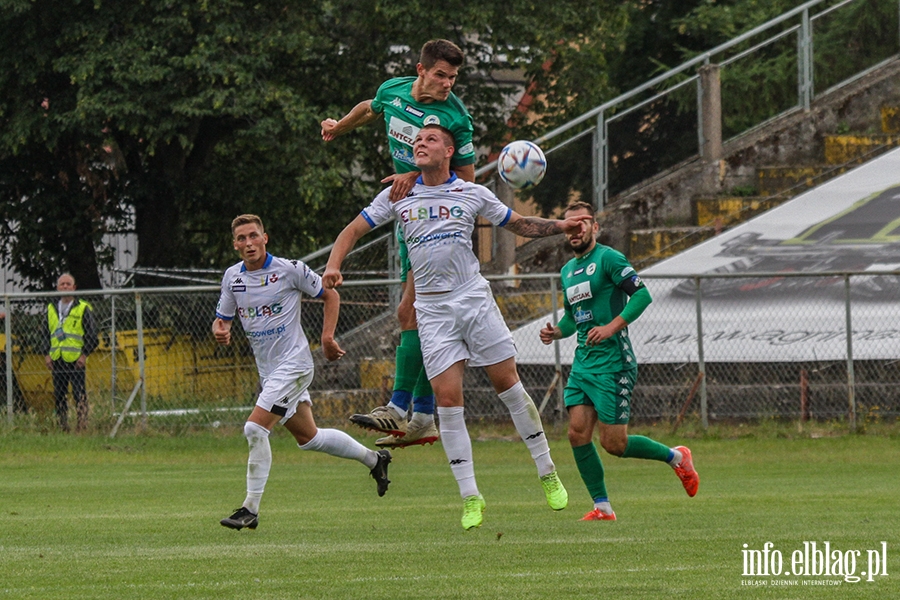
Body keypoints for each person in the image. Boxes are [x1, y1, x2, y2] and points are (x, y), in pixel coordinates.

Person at [324, 125, 592, 530]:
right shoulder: (400, 193)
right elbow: (352, 230)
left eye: (430, 139)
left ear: (449, 150)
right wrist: (333, 264)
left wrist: (560, 226)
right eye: (417, 140)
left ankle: (547, 471)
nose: (420, 143)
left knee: (509, 386)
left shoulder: (471, 191)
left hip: (474, 301)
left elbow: (520, 224)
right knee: (448, 403)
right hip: (431, 311)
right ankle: (470, 497)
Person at [321, 39, 477, 449]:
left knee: (410, 314)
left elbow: (468, 187)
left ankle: (399, 406)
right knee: (416, 319)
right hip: (409, 216)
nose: (447, 84)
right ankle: (423, 416)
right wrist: (338, 126)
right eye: (441, 75)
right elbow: (368, 108)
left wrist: (419, 176)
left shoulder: (455, 118)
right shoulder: (394, 90)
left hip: (438, 226)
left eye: (453, 77)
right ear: (421, 69)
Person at [214, 214, 392, 531]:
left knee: (255, 429)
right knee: (309, 438)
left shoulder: (289, 269)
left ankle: (249, 509)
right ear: (235, 244)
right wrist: (222, 329)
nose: (248, 243)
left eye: (253, 235)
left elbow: (330, 295)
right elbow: (223, 317)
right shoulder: (233, 278)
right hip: (270, 373)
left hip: (295, 365)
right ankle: (374, 460)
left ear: (264, 238)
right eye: (241, 238)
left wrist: (327, 338)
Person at [538, 201, 700, 521]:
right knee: (576, 434)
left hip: (614, 362)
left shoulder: (609, 258)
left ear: (595, 227)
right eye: (569, 224)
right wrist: (557, 331)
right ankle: (603, 507)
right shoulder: (567, 272)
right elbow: (574, 318)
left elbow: (642, 295)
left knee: (614, 444)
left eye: (582, 222)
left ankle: (676, 457)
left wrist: (612, 327)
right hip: (584, 363)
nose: (576, 229)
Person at [44, 273, 97, 432]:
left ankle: (82, 426)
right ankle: (62, 426)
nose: (65, 287)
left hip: (75, 360)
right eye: (62, 284)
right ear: (57, 287)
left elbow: (92, 335)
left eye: (68, 284)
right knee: (59, 394)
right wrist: (46, 354)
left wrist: (84, 355)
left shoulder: (83, 307)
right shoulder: (51, 308)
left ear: (74, 288)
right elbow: (45, 334)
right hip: (57, 358)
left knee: (79, 394)